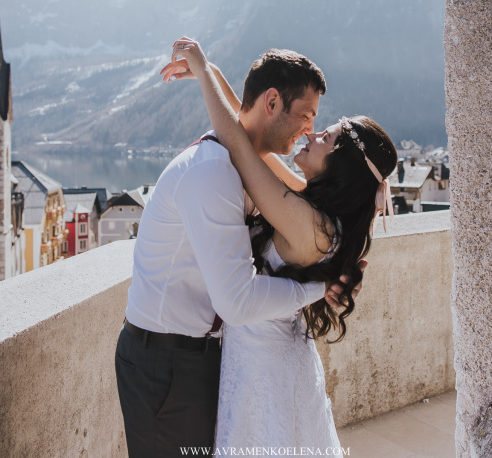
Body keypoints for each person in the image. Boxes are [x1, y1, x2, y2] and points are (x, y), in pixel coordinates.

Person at [162, 37, 398, 453]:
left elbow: (239, 147)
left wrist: (203, 75)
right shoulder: (317, 215)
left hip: (263, 372)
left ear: (341, 163)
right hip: (270, 361)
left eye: (328, 135)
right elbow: (257, 144)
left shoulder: (313, 227)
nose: (313, 131)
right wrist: (213, 74)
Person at [116, 44, 352, 457]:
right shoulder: (211, 172)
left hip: (201, 357)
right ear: (273, 101)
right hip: (164, 364)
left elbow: (246, 135)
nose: (309, 128)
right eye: (306, 115)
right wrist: (318, 288)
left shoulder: (246, 168)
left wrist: (370, 180)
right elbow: (238, 299)